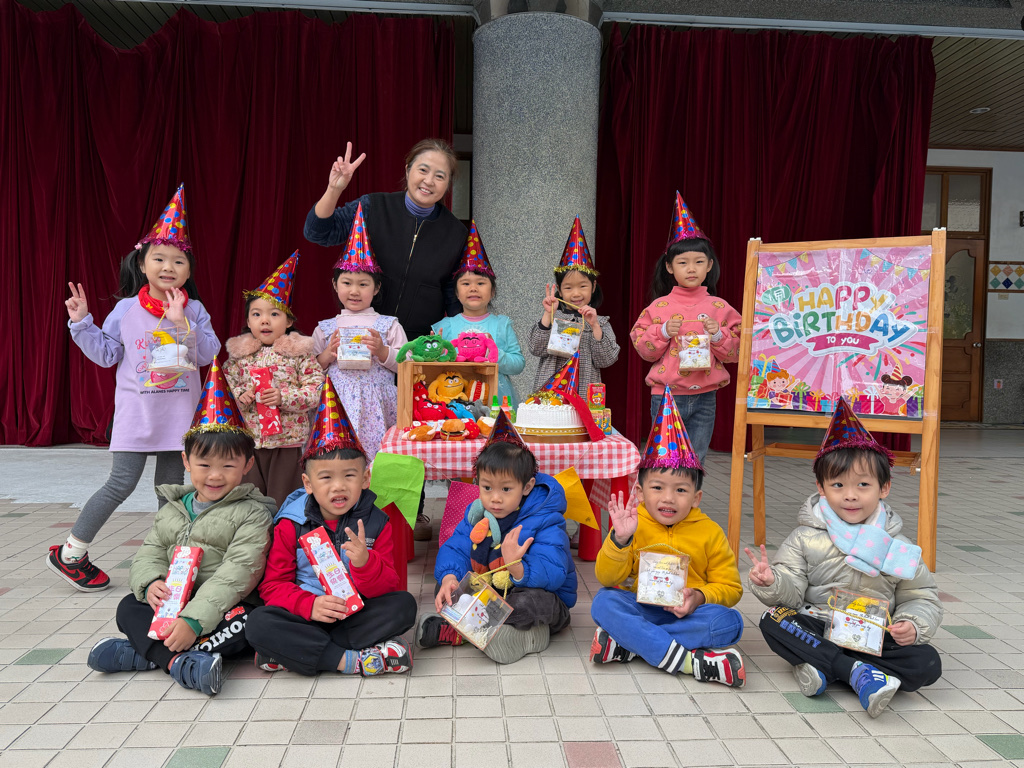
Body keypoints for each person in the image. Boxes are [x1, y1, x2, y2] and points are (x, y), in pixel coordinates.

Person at [48, 185, 220, 592]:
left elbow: (208, 354)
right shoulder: (125, 310)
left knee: (171, 494)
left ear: (188, 271)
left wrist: (182, 323)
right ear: (142, 264)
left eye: (178, 261)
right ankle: (70, 553)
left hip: (180, 420)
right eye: (159, 259)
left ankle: (167, 563)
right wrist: (82, 323)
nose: (168, 266)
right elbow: (107, 355)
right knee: (120, 484)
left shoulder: (194, 310)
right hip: (136, 417)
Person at [85, 360, 274, 695]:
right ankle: (178, 661)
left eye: (228, 466)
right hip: (176, 600)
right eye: (204, 464)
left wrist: (193, 621)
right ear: (186, 461)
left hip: (225, 604)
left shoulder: (253, 513)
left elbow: (238, 574)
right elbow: (150, 553)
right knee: (129, 606)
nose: (215, 475)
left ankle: (148, 654)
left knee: (252, 622)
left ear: (247, 465)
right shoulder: (173, 507)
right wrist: (151, 583)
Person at [746, 398, 942, 718]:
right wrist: (772, 582)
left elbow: (920, 595)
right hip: (819, 626)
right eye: (838, 484)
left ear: (884, 487)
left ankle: (826, 666)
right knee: (774, 618)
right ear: (821, 487)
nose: (850, 495)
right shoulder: (805, 537)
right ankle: (857, 673)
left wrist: (912, 624)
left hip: (875, 636)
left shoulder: (898, 546)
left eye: (863, 484)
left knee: (928, 662)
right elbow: (791, 593)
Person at [245, 378, 416, 677]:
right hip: (306, 614)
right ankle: (350, 660)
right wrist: (309, 605)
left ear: (365, 479)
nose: (338, 486)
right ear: (308, 483)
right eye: (326, 478)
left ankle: (296, 652)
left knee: (404, 605)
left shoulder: (377, 521)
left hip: (355, 613)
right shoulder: (291, 523)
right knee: (259, 622)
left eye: (349, 476)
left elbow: (389, 585)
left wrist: (365, 563)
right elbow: (272, 586)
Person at [589, 388, 746, 687]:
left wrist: (699, 597)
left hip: (687, 614)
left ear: (696, 497)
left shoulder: (711, 532)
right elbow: (606, 578)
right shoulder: (632, 524)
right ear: (639, 492)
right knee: (604, 602)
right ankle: (686, 661)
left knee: (730, 622)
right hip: (639, 608)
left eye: (681, 490)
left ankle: (630, 644)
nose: (668, 498)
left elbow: (731, 588)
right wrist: (620, 541)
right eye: (657, 487)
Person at [415, 411, 577, 664]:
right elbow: (456, 548)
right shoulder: (476, 514)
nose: (495, 498)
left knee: (527, 602)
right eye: (487, 487)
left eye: (506, 489)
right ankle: (498, 633)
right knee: (449, 588)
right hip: (491, 594)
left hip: (539, 598)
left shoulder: (545, 517)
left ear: (527, 487)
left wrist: (517, 566)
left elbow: (555, 570)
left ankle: (463, 630)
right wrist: (449, 578)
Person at [303, 140, 468, 340]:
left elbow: (455, 296)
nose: (429, 181)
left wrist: (463, 340)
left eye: (440, 176)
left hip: (420, 344)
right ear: (408, 170)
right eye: (423, 170)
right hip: (364, 337)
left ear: (448, 183)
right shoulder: (373, 206)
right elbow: (317, 232)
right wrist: (334, 188)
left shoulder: (456, 233)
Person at [628, 194, 741, 465]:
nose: (691, 269)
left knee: (696, 460)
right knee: (664, 458)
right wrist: (663, 331)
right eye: (683, 263)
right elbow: (643, 348)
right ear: (669, 267)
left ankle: (690, 494)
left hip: (705, 396)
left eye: (699, 261)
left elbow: (738, 352)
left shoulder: (720, 307)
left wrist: (718, 335)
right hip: (666, 395)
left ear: (709, 265)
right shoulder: (659, 307)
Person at [224, 251, 323, 507]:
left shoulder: (300, 355)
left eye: (274, 314)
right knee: (251, 500)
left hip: (287, 441)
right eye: (256, 314)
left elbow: (315, 392)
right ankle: (255, 532)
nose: (265, 320)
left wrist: (284, 397)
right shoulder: (238, 358)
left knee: (284, 498)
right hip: (249, 441)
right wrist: (241, 395)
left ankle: (284, 531)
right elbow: (224, 389)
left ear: (289, 321)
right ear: (248, 321)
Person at [311, 204, 408, 466]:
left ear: (376, 288)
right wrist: (326, 355)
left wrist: (383, 351)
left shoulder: (388, 325)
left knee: (378, 459)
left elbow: (408, 364)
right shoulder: (326, 328)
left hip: (379, 403)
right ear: (335, 284)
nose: (354, 291)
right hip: (337, 403)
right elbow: (308, 370)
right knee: (338, 459)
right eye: (347, 283)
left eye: (363, 284)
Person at [432, 221, 524, 405]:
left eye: (481, 283)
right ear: (456, 292)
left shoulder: (502, 325)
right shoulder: (445, 327)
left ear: (493, 291)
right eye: (466, 284)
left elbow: (518, 364)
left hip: (497, 399)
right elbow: (433, 369)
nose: (473, 288)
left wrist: (496, 355)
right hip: (456, 401)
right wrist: (437, 353)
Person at [529, 216, 620, 395]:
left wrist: (594, 326)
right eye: (569, 288)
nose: (576, 293)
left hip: (584, 395)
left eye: (583, 286)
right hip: (551, 395)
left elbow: (606, 360)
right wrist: (548, 314)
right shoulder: (553, 318)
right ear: (560, 290)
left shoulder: (601, 322)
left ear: (593, 287)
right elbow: (535, 348)